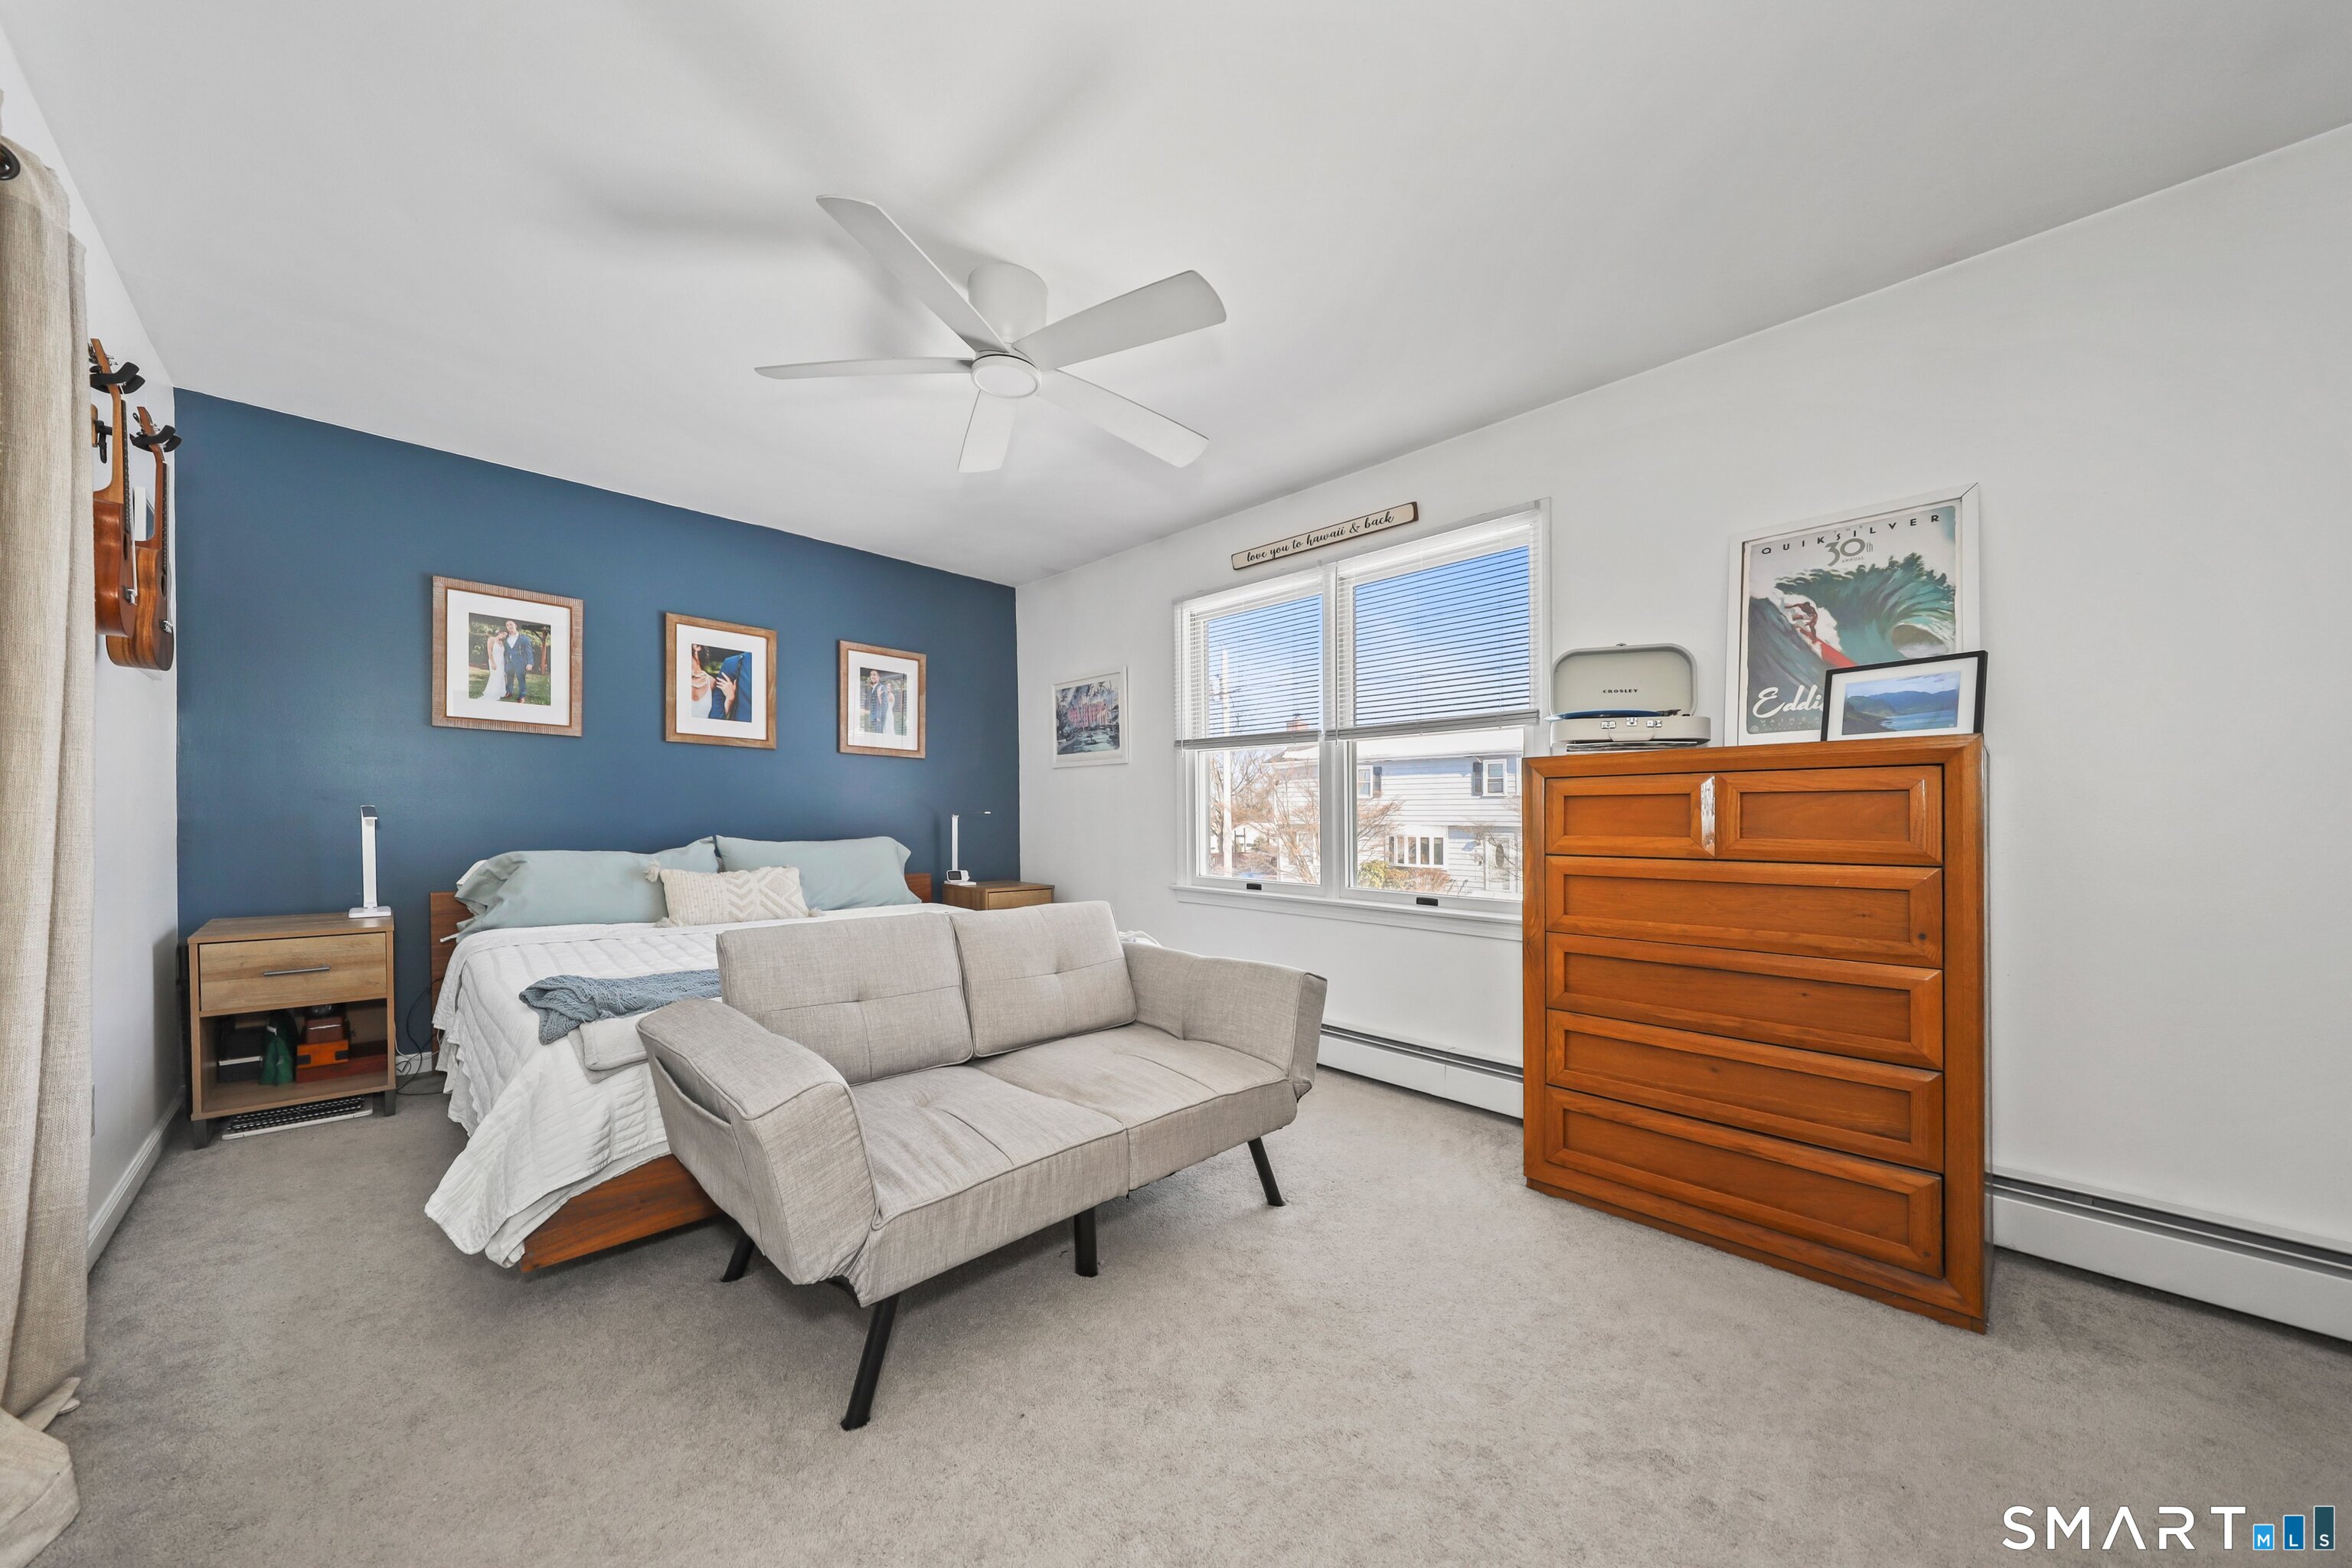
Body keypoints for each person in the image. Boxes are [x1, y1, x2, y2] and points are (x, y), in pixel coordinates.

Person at [501, 619, 537, 701]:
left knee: (521, 679)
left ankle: (522, 696)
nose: (509, 626)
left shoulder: (524, 638)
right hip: (509, 662)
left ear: (516, 626)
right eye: (507, 625)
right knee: (509, 678)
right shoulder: (505, 638)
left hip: (520, 663)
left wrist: (530, 663)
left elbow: (529, 652)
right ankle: (509, 692)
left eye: (511, 624)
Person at [482, 624, 508, 701]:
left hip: (501, 663)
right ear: (500, 633)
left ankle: (500, 692)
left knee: (501, 677)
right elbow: (489, 650)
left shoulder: (502, 643)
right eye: (503, 634)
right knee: (495, 676)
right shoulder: (491, 639)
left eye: (506, 636)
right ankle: (493, 693)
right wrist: (493, 663)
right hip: (494, 661)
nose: (504, 636)